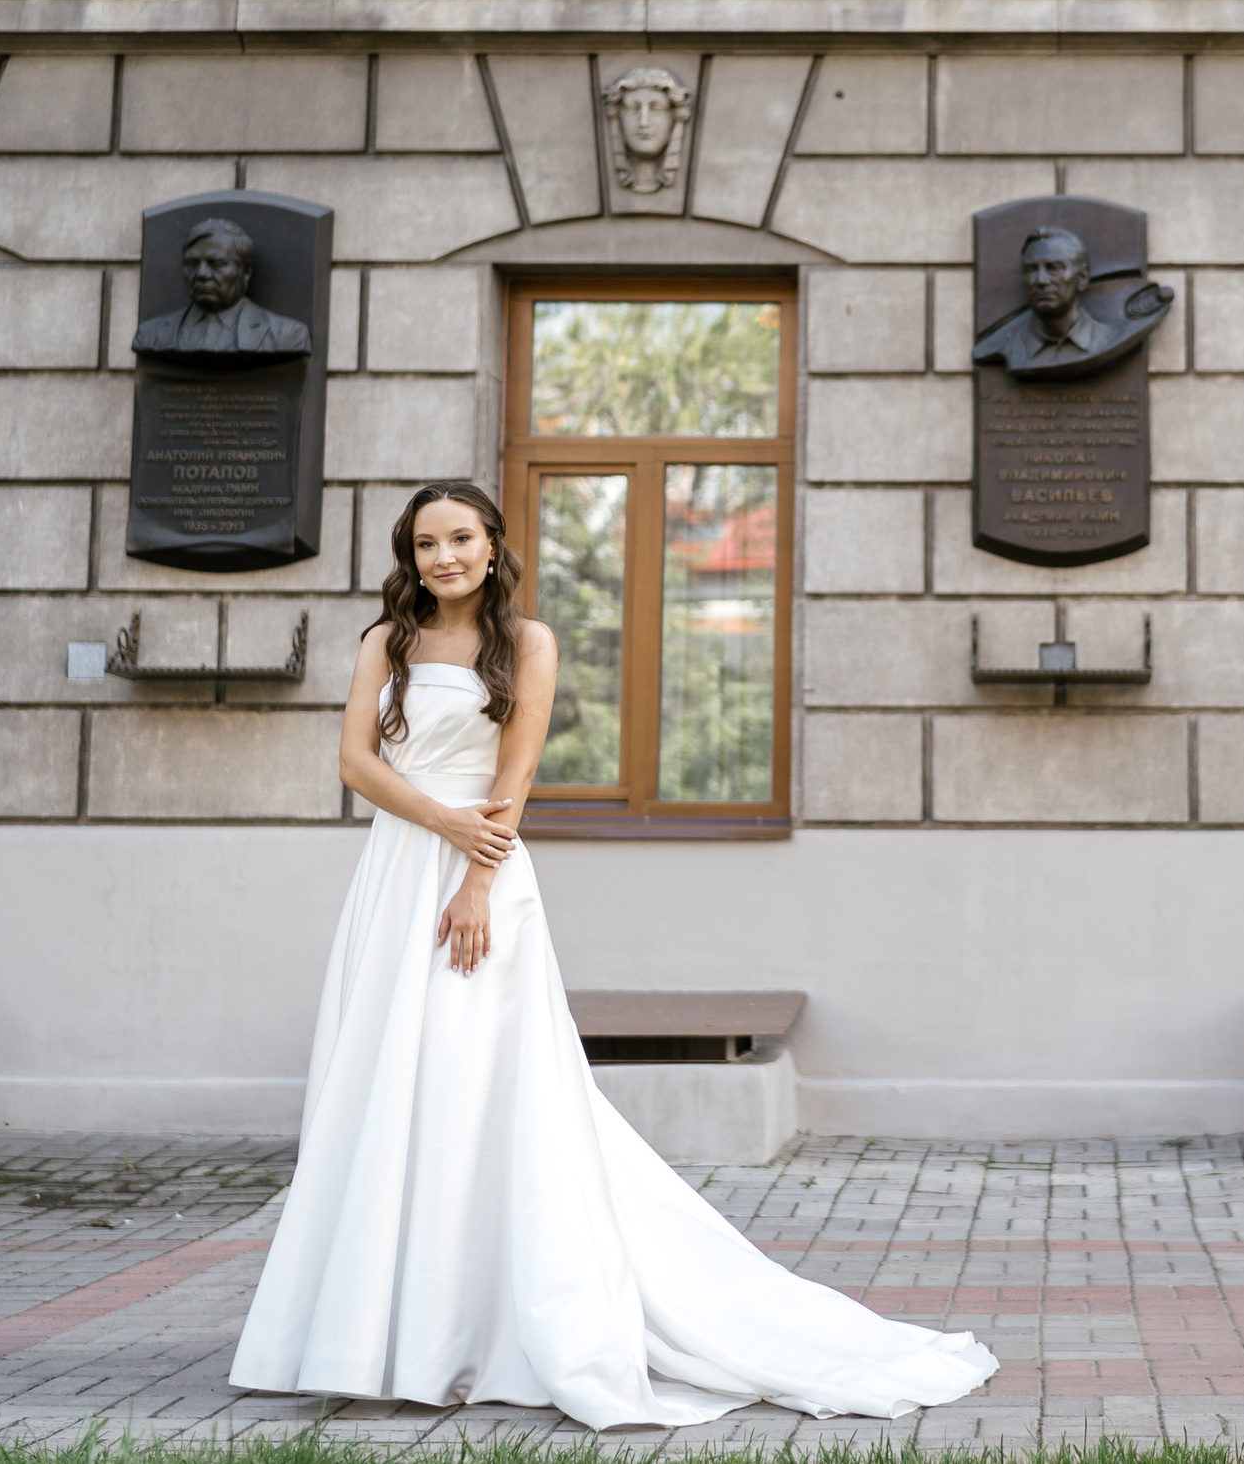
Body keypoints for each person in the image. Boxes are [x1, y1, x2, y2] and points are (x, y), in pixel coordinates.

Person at [229, 482, 997, 1426]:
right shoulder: (384, 642)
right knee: (387, 1082)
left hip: (484, 881)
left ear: (492, 542)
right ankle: (370, 1328)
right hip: (394, 879)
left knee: (476, 1083)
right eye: (426, 543)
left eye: (460, 537)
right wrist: (439, 824)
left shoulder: (531, 644)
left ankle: (473, 1327)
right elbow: (355, 764)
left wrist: (473, 877)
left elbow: (512, 782)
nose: (444, 558)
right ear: (409, 554)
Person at [971, 225, 1170, 381]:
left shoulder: (1106, 338)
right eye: (1031, 269)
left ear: (1082, 278)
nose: (1040, 280)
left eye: (1054, 268)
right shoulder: (1006, 346)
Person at [133, 220, 312, 359]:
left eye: (216, 264)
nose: (202, 274)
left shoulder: (286, 336)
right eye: (191, 264)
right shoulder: (150, 336)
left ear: (245, 272)